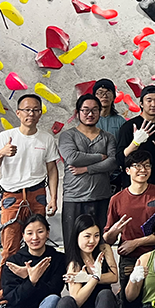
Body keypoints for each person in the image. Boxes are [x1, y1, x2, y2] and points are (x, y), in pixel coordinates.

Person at [0, 93, 59, 298]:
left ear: (40, 113)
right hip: (12, 196)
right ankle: (4, 294)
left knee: (38, 244)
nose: (31, 114)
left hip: (37, 195)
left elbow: (52, 170)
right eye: (27, 110)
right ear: (18, 113)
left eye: (36, 110)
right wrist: (2, 153)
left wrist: (54, 198)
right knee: (10, 247)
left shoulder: (46, 138)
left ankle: (37, 291)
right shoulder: (6, 136)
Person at [104, 150, 155, 306]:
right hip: (130, 258)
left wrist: (136, 242)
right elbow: (107, 239)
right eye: (137, 166)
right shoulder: (117, 199)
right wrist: (114, 231)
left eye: (147, 166)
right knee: (129, 303)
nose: (143, 170)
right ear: (128, 170)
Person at [59, 94, 117, 251]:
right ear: (77, 112)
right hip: (75, 197)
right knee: (73, 246)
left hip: (101, 197)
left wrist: (86, 169)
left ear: (100, 112)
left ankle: (103, 276)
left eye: (94, 110)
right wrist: (100, 157)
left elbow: (112, 162)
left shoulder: (108, 137)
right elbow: (72, 157)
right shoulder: (67, 135)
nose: (90, 114)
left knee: (101, 246)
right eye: (85, 110)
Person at [117, 85, 155, 189]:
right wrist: (135, 143)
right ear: (141, 103)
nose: (153, 104)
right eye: (149, 100)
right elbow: (119, 159)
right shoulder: (129, 126)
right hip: (133, 185)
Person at [93, 78, 127, 143]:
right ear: (94, 96)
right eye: (100, 93)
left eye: (108, 93)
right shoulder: (87, 121)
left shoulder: (121, 122)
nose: (104, 96)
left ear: (114, 97)